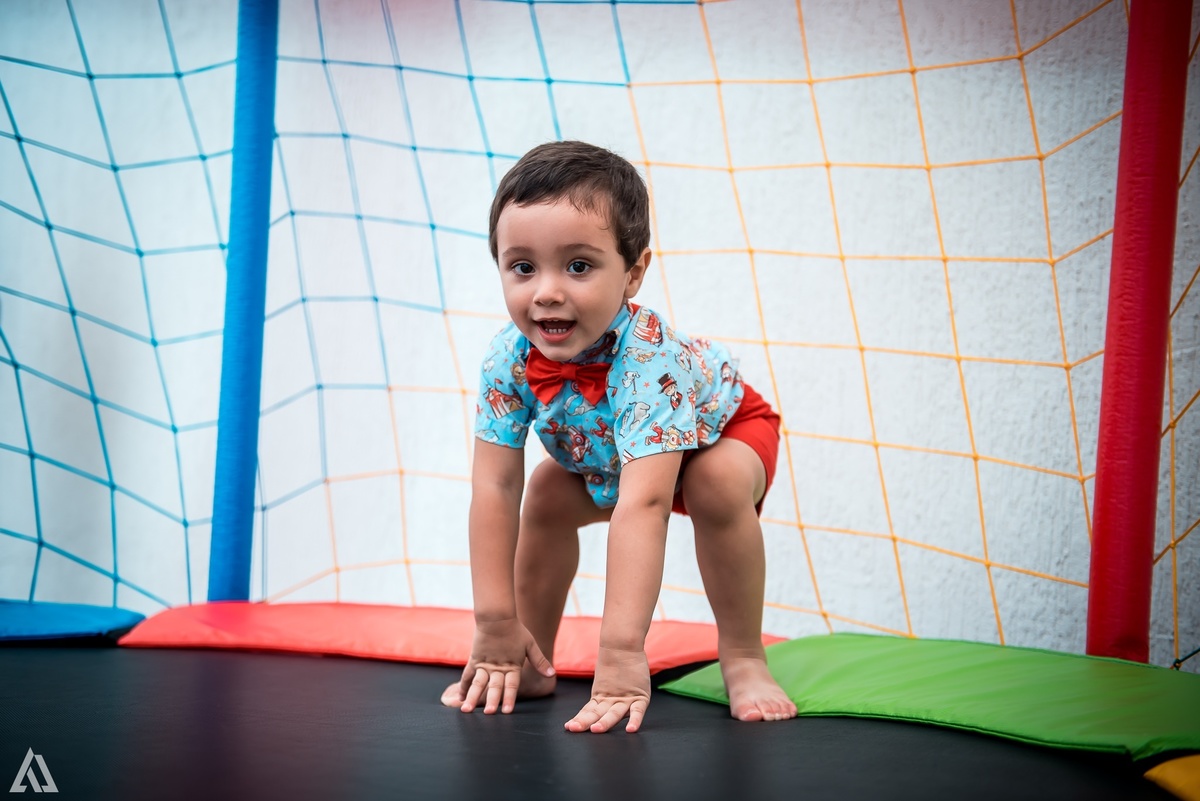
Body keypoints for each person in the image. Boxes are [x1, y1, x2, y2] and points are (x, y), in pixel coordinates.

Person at [440, 141, 797, 733]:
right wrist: (495, 621)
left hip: (719, 433)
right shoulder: (507, 355)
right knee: (548, 495)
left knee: (712, 484)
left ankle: (743, 657)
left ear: (633, 274)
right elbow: (494, 486)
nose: (547, 291)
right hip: (607, 454)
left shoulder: (648, 358)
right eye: (523, 266)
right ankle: (531, 658)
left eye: (578, 266)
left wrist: (623, 653)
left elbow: (646, 503)